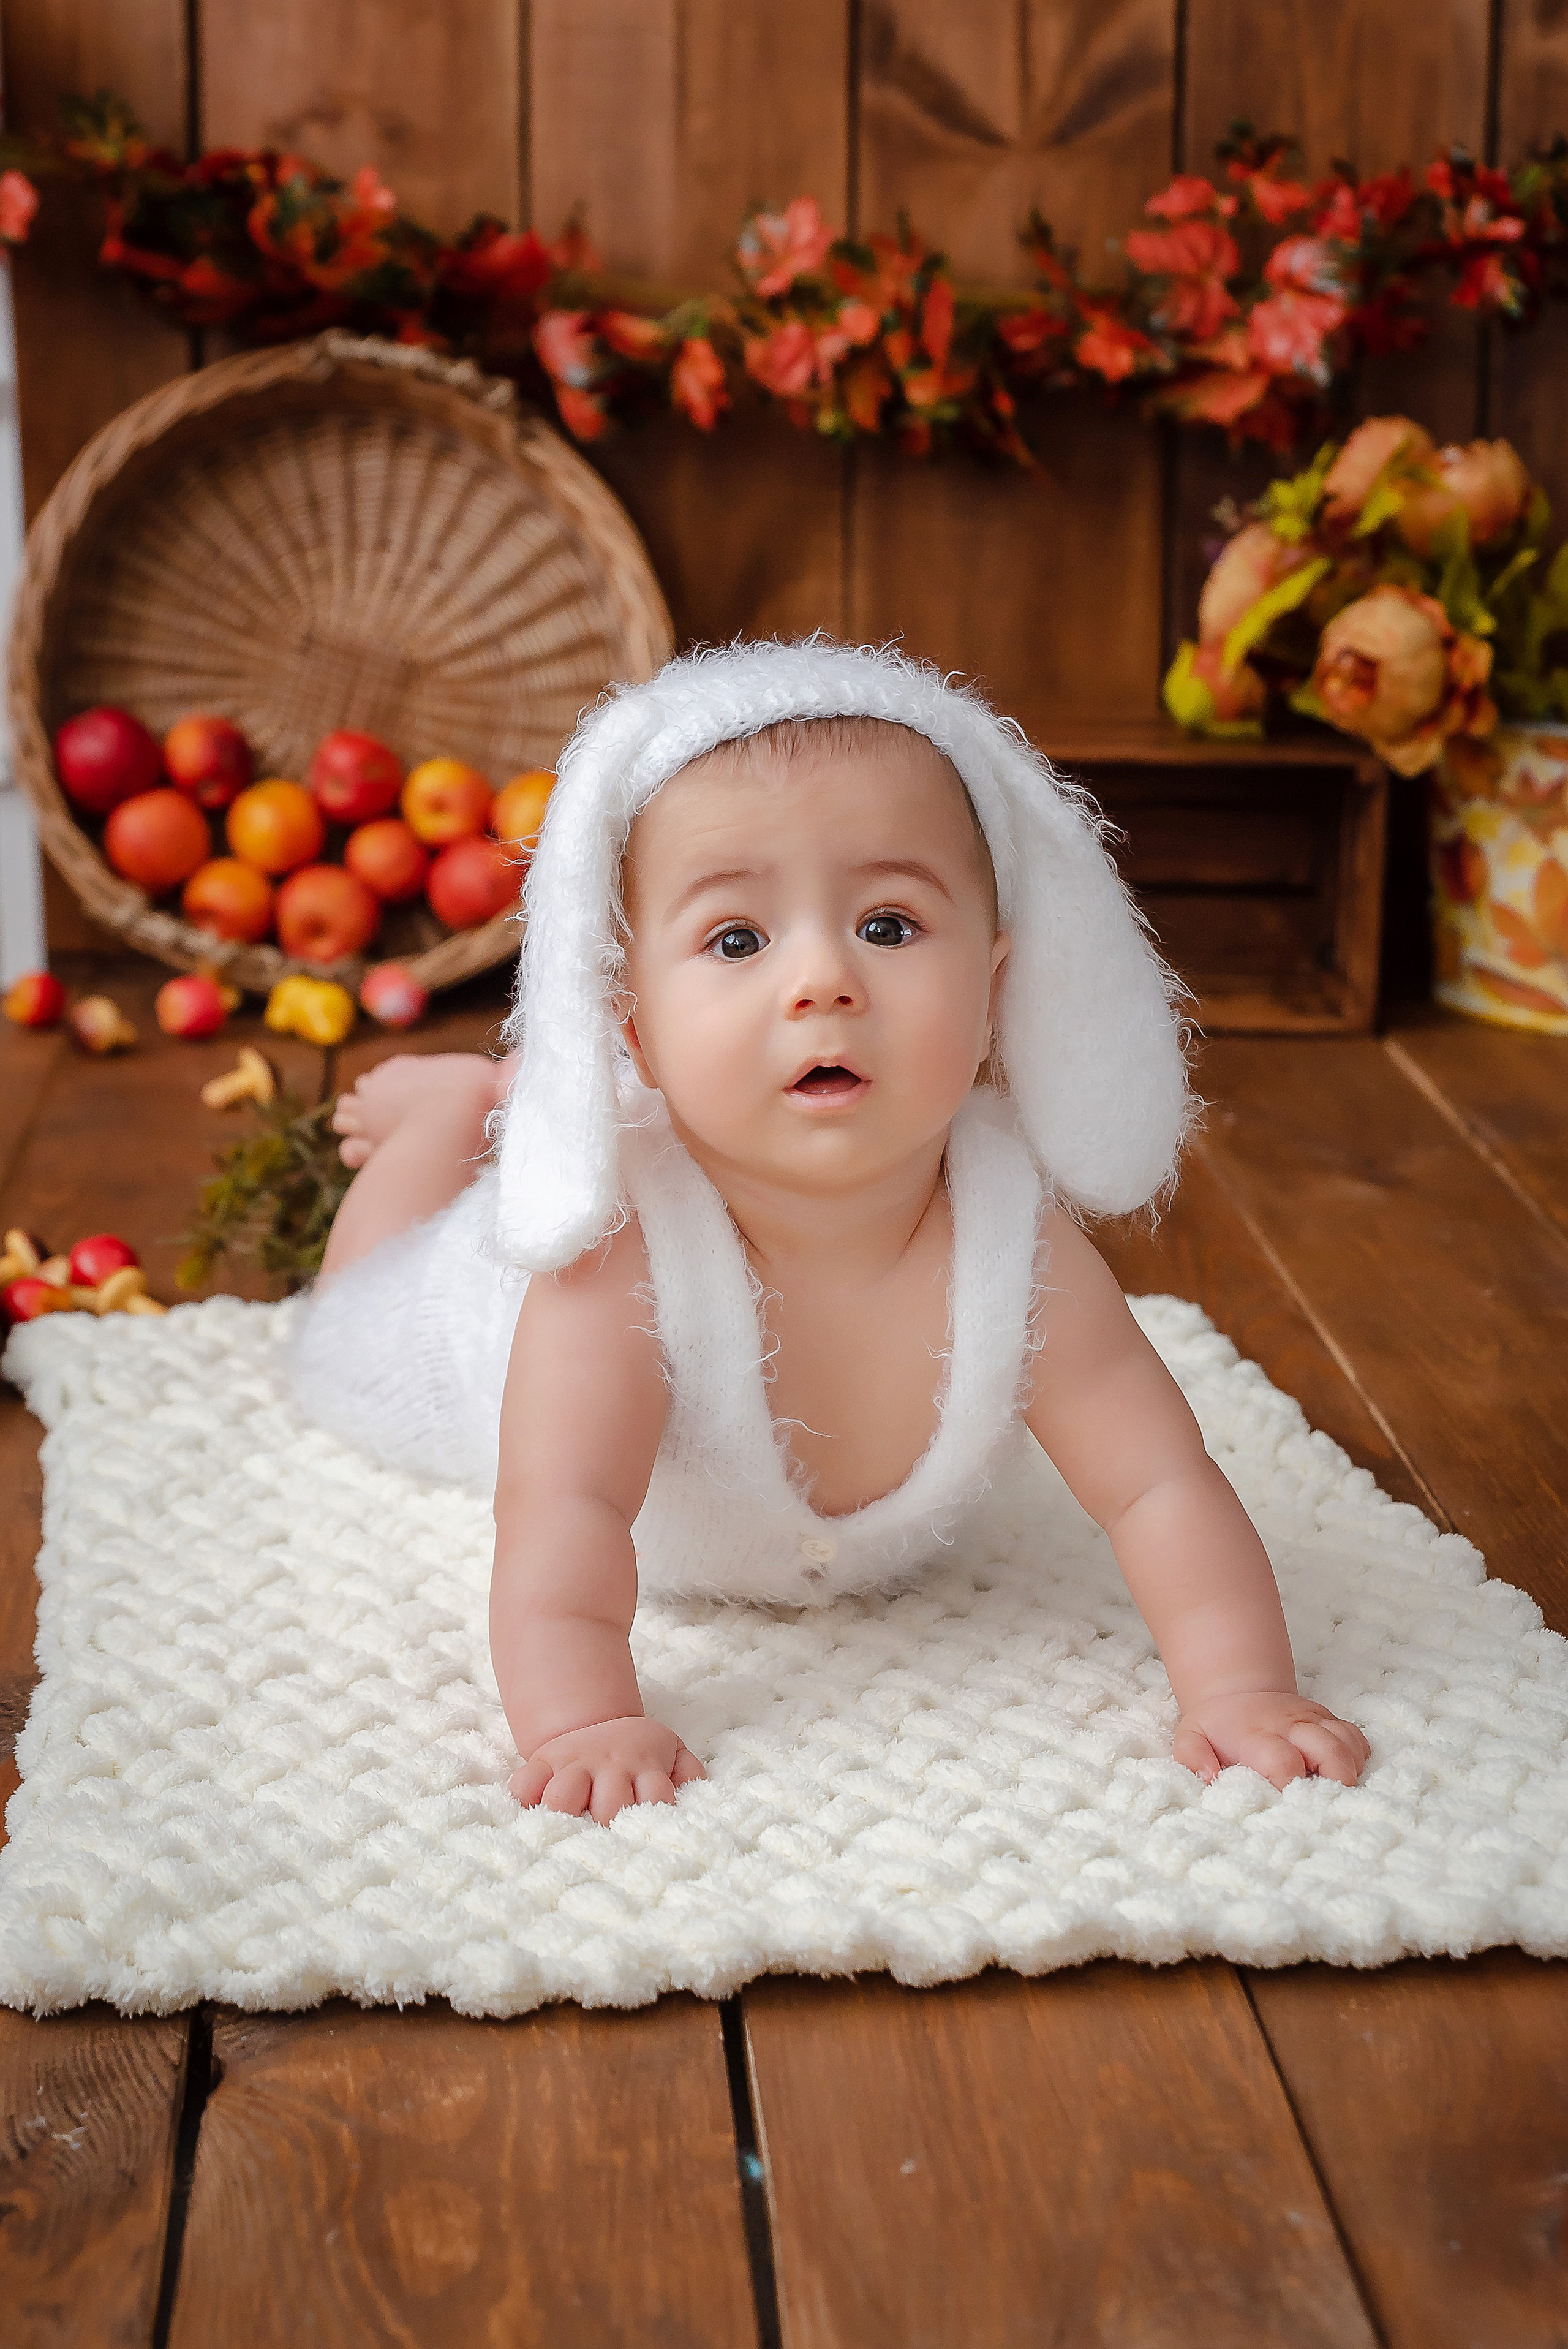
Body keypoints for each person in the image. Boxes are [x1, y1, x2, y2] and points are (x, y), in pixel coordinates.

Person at [293, 637, 1370, 1823]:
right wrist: (587, 1719)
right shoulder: (613, 1260)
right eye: (737, 940)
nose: (822, 981)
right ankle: (441, 1118)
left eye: (890, 927)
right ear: (633, 1030)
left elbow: (1160, 1483)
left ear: (996, 991)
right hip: (463, 1328)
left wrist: (1239, 1686)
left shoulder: (1017, 1239)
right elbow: (560, 1512)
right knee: (346, 1331)